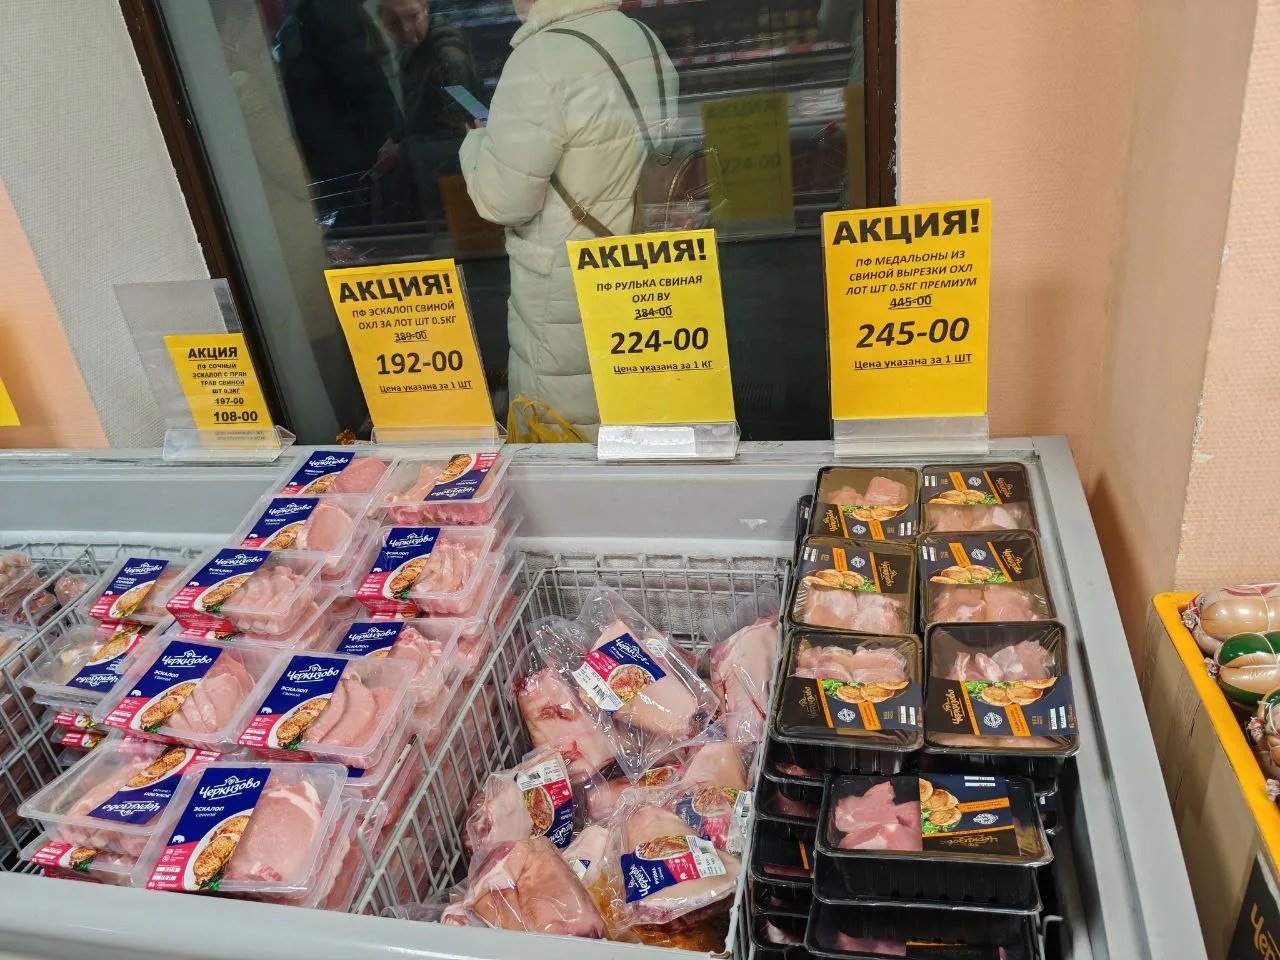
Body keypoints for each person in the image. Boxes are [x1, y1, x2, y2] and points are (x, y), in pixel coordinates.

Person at [460, 0, 679, 437]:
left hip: (565, 285)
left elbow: (503, 202)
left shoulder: (538, 60)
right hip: (645, 262)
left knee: (566, 428)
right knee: (639, 409)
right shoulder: (642, 36)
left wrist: (475, 143)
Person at [275, 0, 400, 219]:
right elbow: (364, 80)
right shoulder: (333, 10)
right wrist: (392, 135)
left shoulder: (310, 13)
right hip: (347, 149)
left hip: (332, 146)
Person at [372, 0, 483, 221]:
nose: (406, 29)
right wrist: (396, 137)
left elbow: (470, 126)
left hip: (453, 188)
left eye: (412, 16)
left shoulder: (448, 61)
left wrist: (402, 149)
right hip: (433, 180)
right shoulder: (414, 52)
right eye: (394, 23)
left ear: (426, 8)